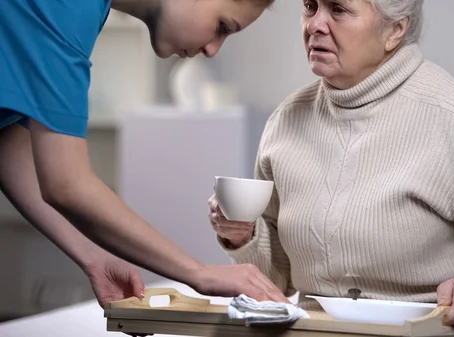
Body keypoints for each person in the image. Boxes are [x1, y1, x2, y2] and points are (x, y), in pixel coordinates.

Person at [207, 0, 454, 336]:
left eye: (339, 9)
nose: (315, 25)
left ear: (395, 30)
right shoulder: (285, 121)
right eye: (310, 6)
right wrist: (243, 235)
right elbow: (278, 279)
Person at [0, 0, 289, 309]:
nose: (213, 49)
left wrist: (95, 255)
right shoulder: (70, 7)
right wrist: (199, 273)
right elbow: (67, 183)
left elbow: (9, 145)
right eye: (222, 27)